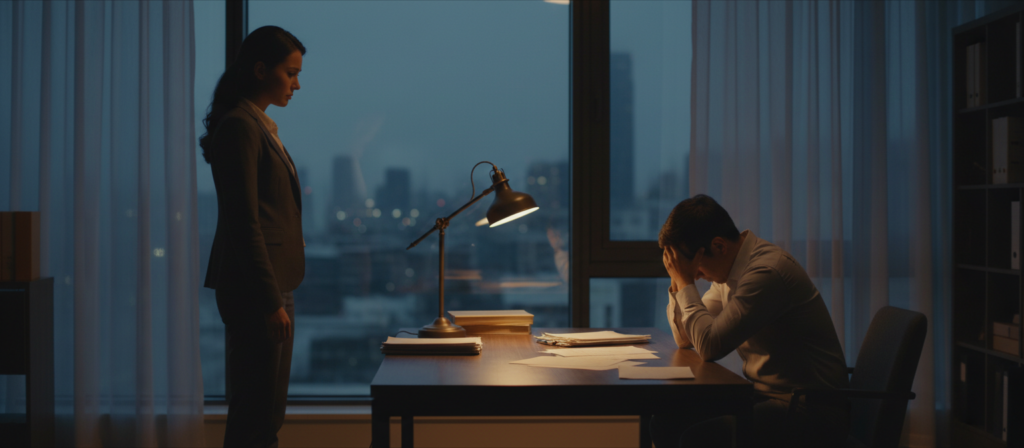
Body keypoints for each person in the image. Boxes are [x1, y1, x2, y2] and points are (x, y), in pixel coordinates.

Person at [655, 194, 850, 448]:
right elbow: (685, 339)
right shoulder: (729, 274)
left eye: (696, 267)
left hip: (810, 411)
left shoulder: (765, 273)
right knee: (666, 422)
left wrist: (686, 282)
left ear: (719, 246)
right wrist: (679, 281)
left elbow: (709, 346)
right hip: (766, 398)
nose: (698, 276)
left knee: (698, 439)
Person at [199, 26, 306, 448]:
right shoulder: (242, 127)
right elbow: (244, 221)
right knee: (255, 414)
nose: (297, 84)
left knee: (267, 412)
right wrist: (269, 301)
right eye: (290, 73)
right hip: (257, 291)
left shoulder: (258, 125)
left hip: (273, 287)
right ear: (262, 70)